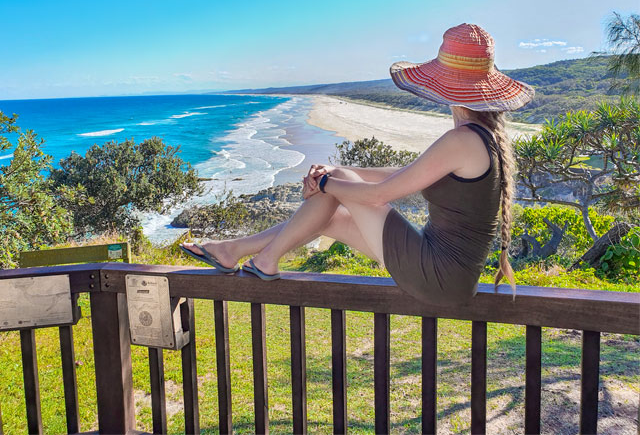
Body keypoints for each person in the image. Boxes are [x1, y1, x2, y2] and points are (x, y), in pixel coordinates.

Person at [181, 23, 534, 305]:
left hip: (436, 275)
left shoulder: (462, 140)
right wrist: (329, 179)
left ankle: (264, 261)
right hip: (447, 275)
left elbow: (379, 195)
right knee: (328, 216)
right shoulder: (478, 138)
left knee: (338, 183)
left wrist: (326, 184)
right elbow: (404, 175)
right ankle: (235, 250)